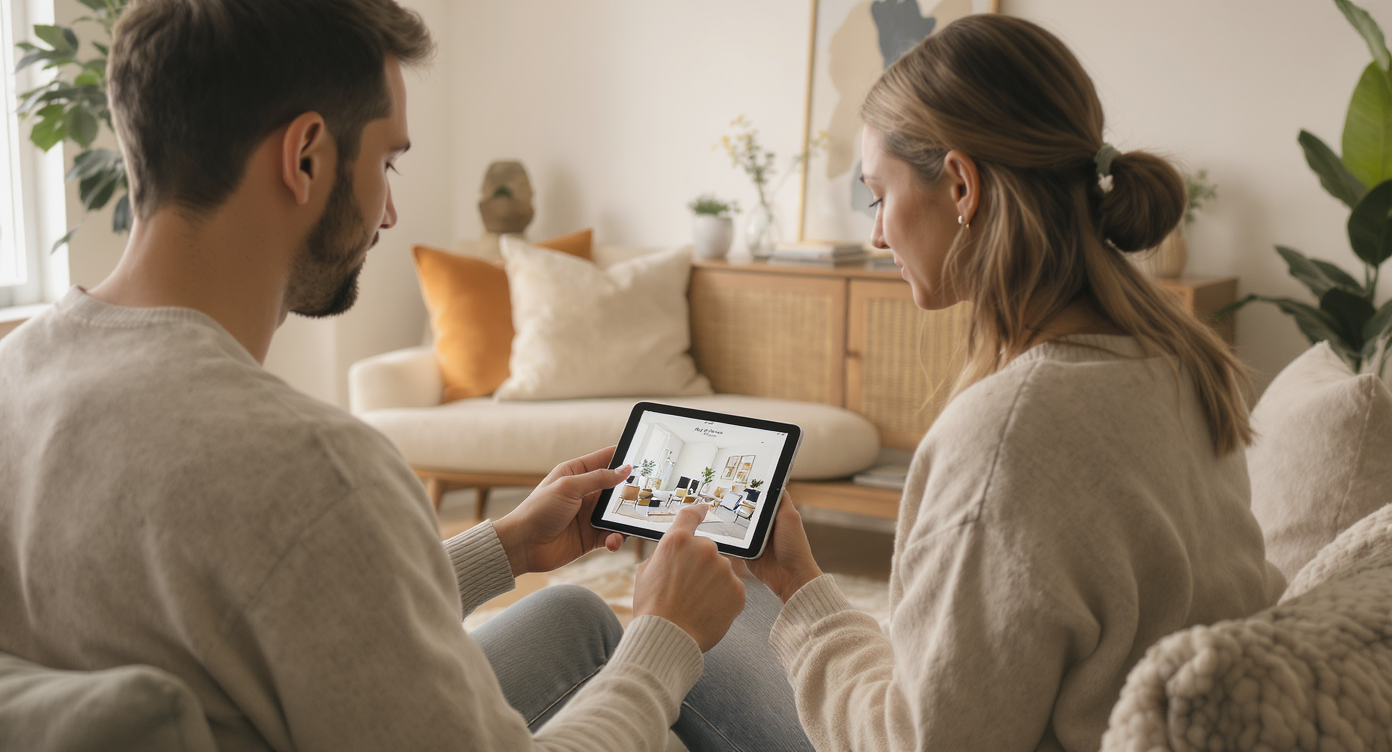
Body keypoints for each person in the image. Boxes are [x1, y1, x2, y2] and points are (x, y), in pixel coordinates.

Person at [0, 1, 747, 750]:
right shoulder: (313, 469)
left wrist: (508, 546)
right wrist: (665, 636)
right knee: (643, 664)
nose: (388, 213)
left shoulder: (17, 373)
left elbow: (279, 605)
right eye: (387, 163)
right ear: (306, 157)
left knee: (572, 618)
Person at [738, 14, 1287, 752]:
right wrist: (804, 587)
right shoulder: (1181, 363)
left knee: (671, 631)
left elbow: (920, 743)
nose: (876, 234)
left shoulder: (1006, 437)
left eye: (878, 196)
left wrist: (800, 596)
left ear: (961, 184)